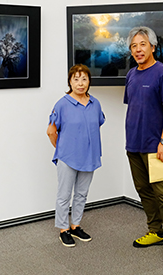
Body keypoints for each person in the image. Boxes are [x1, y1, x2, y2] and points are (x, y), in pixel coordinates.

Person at [123, 26, 163, 263]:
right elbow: (134, 106)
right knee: (144, 191)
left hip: (156, 146)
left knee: (162, 192)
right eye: (134, 46)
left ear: (153, 47)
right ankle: (155, 231)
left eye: (142, 44)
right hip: (133, 145)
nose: (138, 50)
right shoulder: (131, 74)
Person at [47, 64, 105, 247]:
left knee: (82, 194)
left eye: (84, 79)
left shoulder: (95, 103)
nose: (80, 83)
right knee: (64, 195)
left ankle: (75, 225)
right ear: (70, 82)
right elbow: (51, 131)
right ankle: (63, 229)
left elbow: (97, 124)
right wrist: (63, 148)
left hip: (90, 156)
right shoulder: (62, 104)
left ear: (89, 81)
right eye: (76, 79)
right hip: (68, 157)